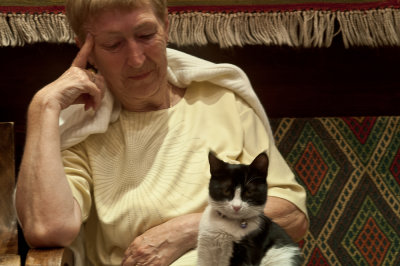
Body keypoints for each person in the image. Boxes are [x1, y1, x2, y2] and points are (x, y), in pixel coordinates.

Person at [15, 0, 309, 265]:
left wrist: (189, 229)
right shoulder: (83, 127)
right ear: (87, 51)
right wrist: (44, 107)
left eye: (145, 35)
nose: (136, 59)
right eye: (113, 45)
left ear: (165, 27)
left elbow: (292, 216)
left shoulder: (222, 100)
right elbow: (46, 229)